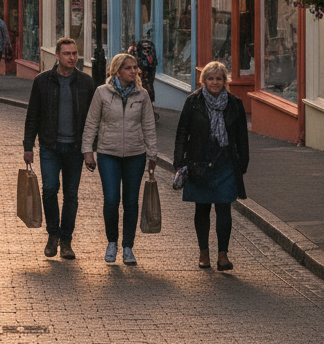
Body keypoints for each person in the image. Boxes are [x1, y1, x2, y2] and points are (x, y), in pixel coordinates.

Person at [81, 52, 157, 265]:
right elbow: (92, 123)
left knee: (131, 202)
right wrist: (88, 150)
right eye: (128, 68)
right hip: (108, 154)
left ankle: (128, 247)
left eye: (134, 68)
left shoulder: (142, 95)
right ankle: (112, 242)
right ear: (116, 71)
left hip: (136, 155)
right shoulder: (102, 93)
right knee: (112, 199)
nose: (133, 71)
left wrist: (152, 154)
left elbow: (149, 126)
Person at [23, 36, 96, 259]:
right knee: (50, 189)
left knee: (71, 195)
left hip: (75, 148)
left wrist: (89, 148)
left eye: (75, 53)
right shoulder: (42, 81)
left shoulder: (85, 82)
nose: (72, 57)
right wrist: (28, 146)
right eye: (67, 54)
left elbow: (93, 119)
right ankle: (53, 234)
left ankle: (66, 240)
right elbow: (32, 115)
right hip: (50, 147)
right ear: (57, 55)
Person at [173, 60, 249, 271]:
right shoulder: (193, 101)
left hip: (225, 161)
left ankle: (223, 255)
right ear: (203, 80)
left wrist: (242, 164)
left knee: (224, 207)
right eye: (210, 78)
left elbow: (242, 137)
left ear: (225, 81)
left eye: (219, 78)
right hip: (199, 160)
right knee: (202, 208)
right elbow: (182, 133)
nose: (215, 82)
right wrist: (179, 162)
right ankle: (203, 253)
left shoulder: (235, 103)